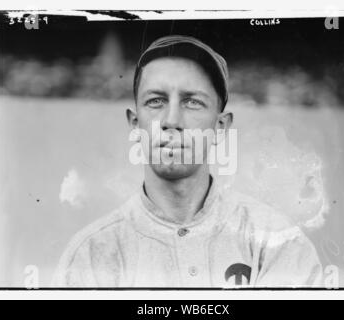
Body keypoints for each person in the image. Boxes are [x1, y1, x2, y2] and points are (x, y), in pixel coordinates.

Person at [53, 35, 322, 288]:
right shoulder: (91, 252)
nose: (172, 121)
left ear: (220, 126)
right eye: (156, 101)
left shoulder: (277, 240)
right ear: (135, 124)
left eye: (192, 102)